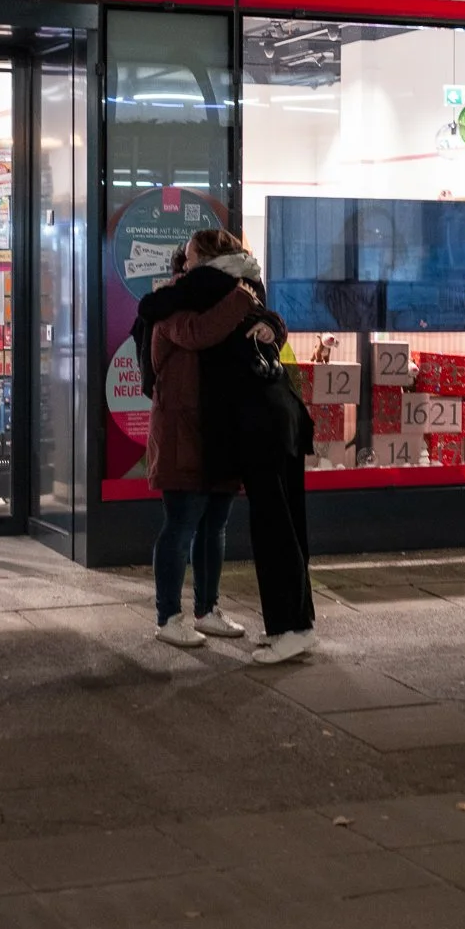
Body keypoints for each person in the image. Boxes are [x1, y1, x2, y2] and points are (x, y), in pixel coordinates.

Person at [165, 228, 317, 667]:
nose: (185, 264)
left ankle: (291, 629)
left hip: (258, 419)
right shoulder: (246, 285)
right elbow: (268, 326)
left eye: (191, 256)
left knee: (273, 527)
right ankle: (296, 624)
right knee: (288, 522)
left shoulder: (214, 288)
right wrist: (271, 325)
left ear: (210, 258)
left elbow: (184, 325)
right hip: (279, 411)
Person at [136, 240, 266, 648]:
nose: (186, 259)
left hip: (221, 431)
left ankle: (207, 611)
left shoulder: (238, 298)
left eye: (194, 253)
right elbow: (197, 333)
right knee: (180, 526)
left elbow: (268, 329)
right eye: (187, 255)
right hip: (182, 431)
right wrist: (242, 300)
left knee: (214, 527)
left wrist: (270, 324)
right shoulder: (170, 301)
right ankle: (167, 617)